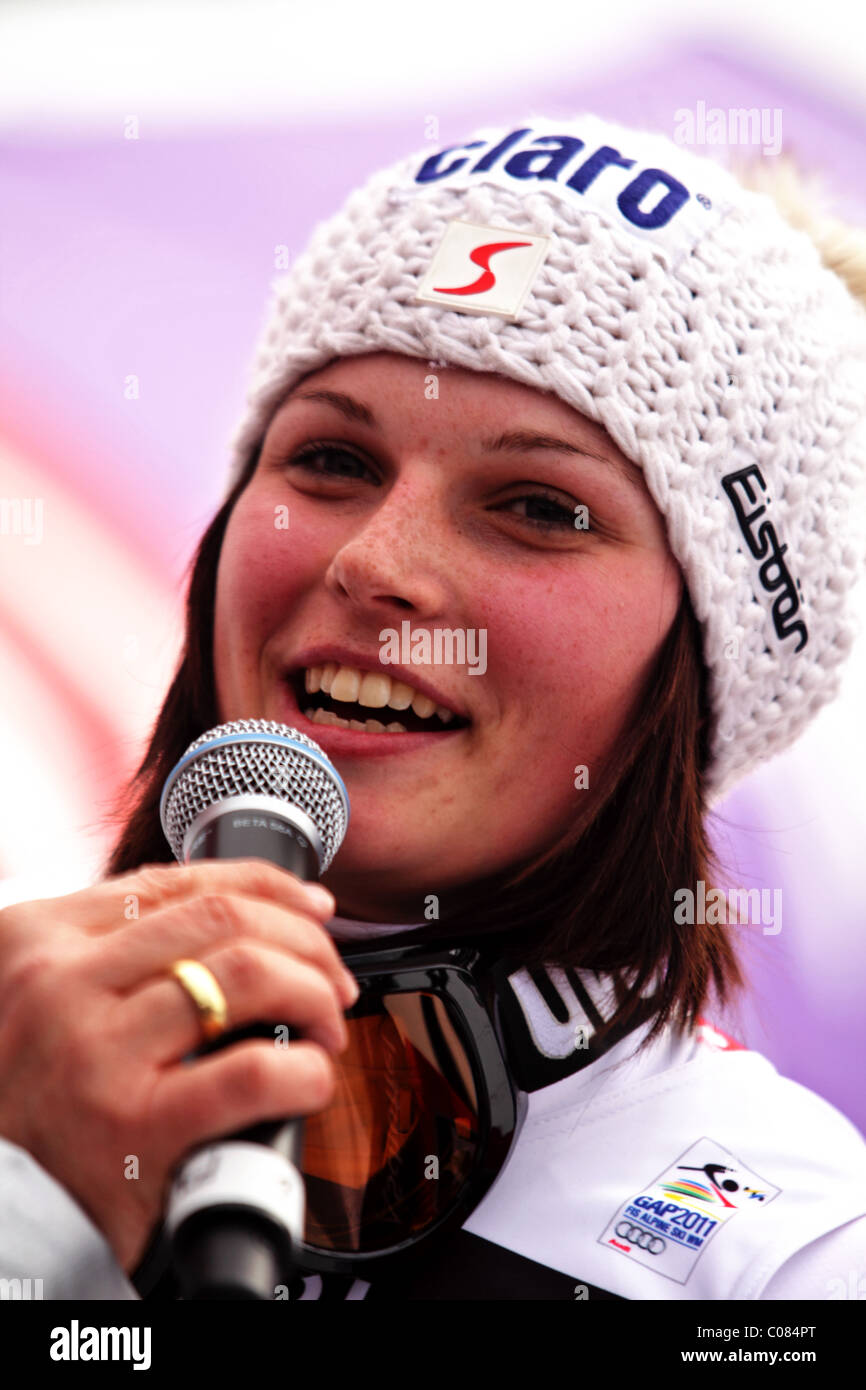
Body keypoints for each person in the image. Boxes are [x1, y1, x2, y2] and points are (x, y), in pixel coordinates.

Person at [1, 112, 865, 1301]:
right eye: (331, 462)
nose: (373, 562)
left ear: (702, 667)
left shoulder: (789, 1258)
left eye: (537, 507)